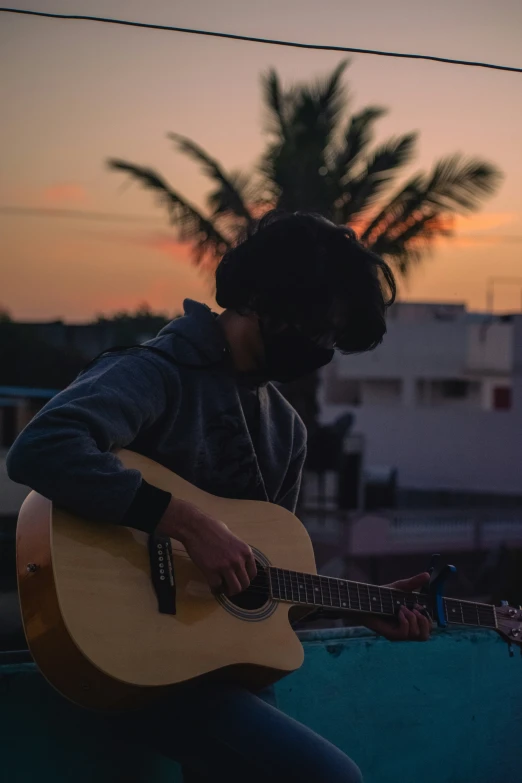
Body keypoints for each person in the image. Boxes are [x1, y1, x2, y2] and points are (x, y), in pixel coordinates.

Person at [7, 210, 431, 783]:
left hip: (219, 670)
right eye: (317, 326)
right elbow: (42, 447)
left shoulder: (287, 429)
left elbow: (257, 587)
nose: (323, 346)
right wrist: (185, 522)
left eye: (334, 337)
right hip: (130, 661)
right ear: (261, 297)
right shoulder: (157, 372)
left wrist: (366, 605)